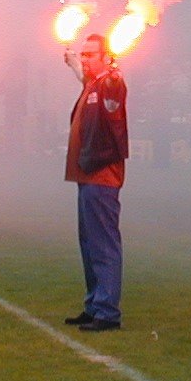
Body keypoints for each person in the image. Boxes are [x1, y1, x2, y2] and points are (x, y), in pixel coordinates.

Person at [63, 34, 129, 331]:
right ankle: (94, 305)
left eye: (91, 55)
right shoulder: (92, 85)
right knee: (89, 244)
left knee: (103, 245)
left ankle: (107, 312)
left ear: (105, 58)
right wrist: (74, 64)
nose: (86, 59)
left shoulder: (110, 83)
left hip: (101, 176)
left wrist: (113, 70)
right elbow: (86, 79)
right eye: (84, 54)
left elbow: (113, 88)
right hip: (86, 174)